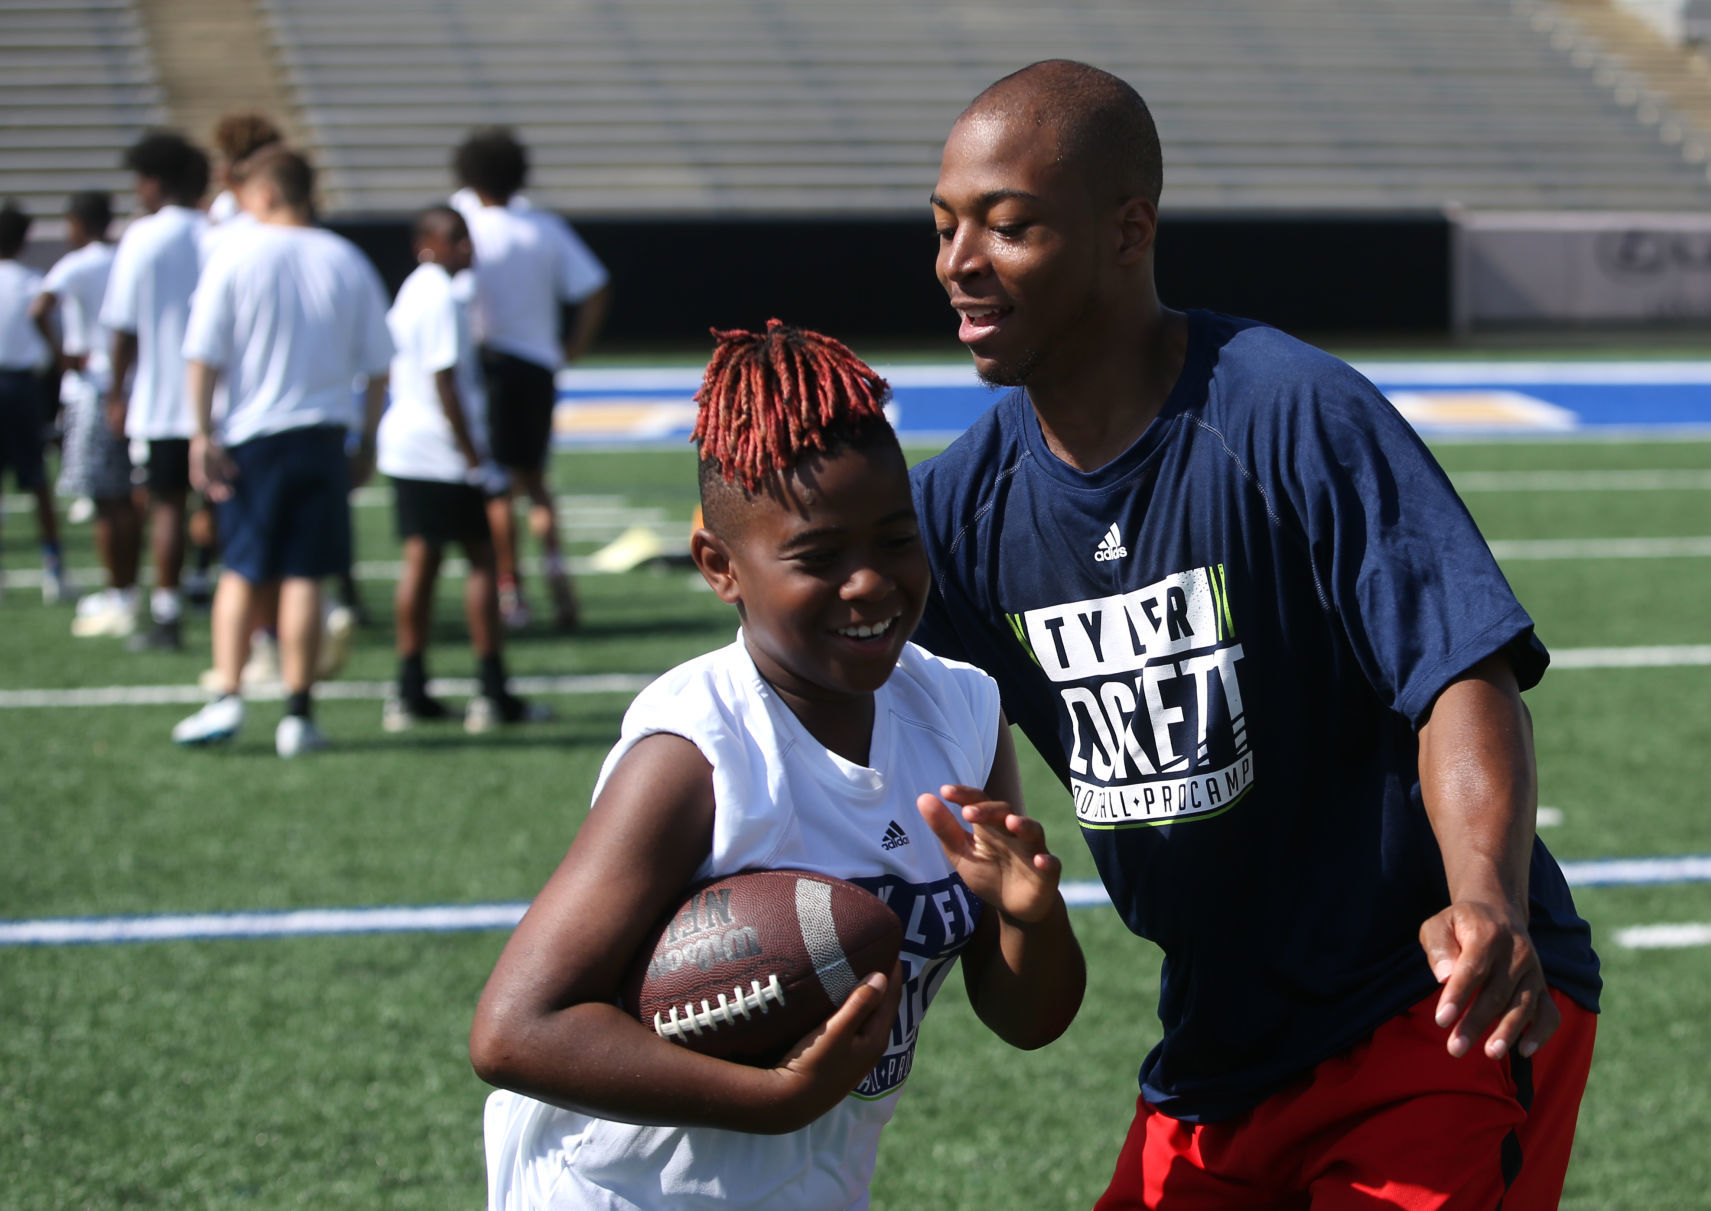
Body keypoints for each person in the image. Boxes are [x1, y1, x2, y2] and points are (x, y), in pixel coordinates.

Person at [910, 61, 1601, 1210]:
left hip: (1424, 1008)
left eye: (1009, 226)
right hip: (1221, 1042)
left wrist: (1487, 893)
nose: (958, 264)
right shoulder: (962, 505)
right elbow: (850, 670)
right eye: (942, 229)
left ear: (1129, 229)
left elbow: (1458, 670)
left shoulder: (1286, 410)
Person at [469, 320, 1084, 1209]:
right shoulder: (697, 750)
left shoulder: (959, 710)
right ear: (720, 567)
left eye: (893, 538)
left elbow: (1027, 1022)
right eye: (818, 557)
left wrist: (1030, 918)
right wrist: (773, 1098)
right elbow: (515, 1031)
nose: (868, 581)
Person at [170, 146, 392, 757]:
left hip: (252, 439)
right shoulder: (346, 259)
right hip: (321, 437)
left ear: (265, 194)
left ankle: (228, 697)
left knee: (241, 571)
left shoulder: (235, 256)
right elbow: (379, 367)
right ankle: (298, 711)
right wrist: (367, 439)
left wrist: (200, 433)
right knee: (305, 577)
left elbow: (203, 354)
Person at [378, 205, 548, 733]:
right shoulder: (440, 297)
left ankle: (409, 689)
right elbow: (445, 381)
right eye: (455, 239)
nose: (466, 249)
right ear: (425, 244)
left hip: (408, 446)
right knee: (481, 562)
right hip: (442, 452)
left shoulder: (412, 290)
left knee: (422, 562)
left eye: (467, 238)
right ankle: (492, 692)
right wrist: (475, 459)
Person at [450, 126, 612, 631]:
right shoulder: (543, 228)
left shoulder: (467, 229)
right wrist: (570, 349)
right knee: (537, 482)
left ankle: (511, 590)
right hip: (537, 366)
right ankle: (560, 583)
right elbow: (595, 288)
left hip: (490, 364)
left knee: (497, 485)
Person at [100, 130, 210, 651]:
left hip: (163, 398)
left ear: (157, 181)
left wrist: (117, 392)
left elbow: (123, 327)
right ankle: (235, 601)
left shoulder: (143, 237)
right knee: (222, 505)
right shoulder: (218, 232)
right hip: (218, 400)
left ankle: (168, 613)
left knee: (166, 506)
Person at [31, 191, 137, 627]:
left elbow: (39, 308)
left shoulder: (76, 263)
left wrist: (63, 356)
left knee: (104, 497)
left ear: (77, 222)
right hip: (131, 386)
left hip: (93, 387)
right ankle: (130, 589)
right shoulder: (122, 258)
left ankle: (118, 593)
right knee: (129, 499)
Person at [0, 200, 67, 602]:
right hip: (23, 388)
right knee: (37, 479)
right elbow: (46, 327)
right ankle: (54, 567)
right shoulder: (31, 280)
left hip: (18, 383)